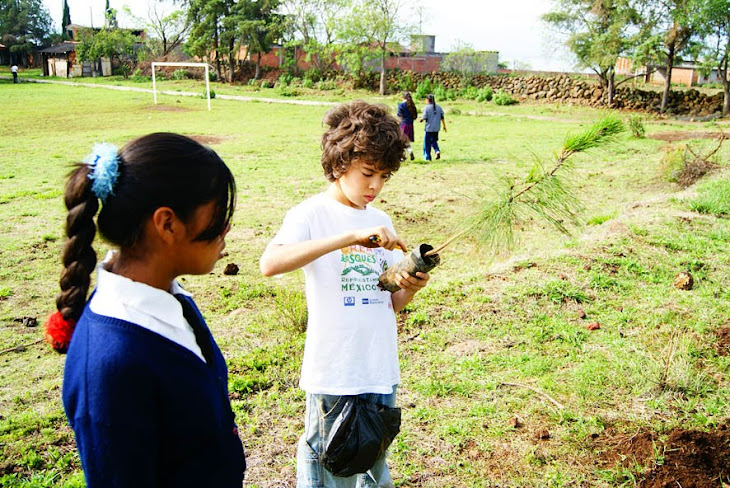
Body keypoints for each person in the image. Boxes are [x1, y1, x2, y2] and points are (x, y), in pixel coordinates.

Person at [44, 133, 246, 488]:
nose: (226, 228)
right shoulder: (110, 366)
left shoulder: (169, 297)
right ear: (167, 223)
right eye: (218, 216)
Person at [259, 101, 430, 488]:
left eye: (384, 176)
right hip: (335, 371)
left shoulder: (381, 220)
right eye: (368, 173)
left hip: (379, 367)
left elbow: (390, 302)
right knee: (328, 466)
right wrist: (348, 237)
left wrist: (410, 287)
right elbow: (270, 264)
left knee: (372, 463)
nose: (375, 186)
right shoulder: (310, 214)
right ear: (340, 163)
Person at [419, 93, 447, 161]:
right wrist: (444, 126)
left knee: (427, 143)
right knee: (434, 141)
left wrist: (420, 119)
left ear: (428, 100)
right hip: (437, 128)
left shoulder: (426, 108)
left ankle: (427, 157)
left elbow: (423, 118)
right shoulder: (439, 107)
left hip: (429, 128)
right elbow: (442, 117)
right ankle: (437, 150)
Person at [396, 91, 418, 161]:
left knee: (401, 141)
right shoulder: (412, 105)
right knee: (407, 141)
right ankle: (410, 151)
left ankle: (402, 157)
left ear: (402, 97)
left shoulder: (401, 105)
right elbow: (415, 116)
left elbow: (399, 116)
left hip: (403, 125)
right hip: (410, 125)